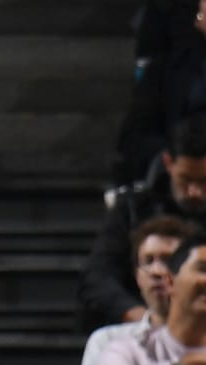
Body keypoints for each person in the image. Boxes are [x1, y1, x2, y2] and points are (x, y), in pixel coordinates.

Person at [80, 116, 206, 330]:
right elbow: (98, 277)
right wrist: (144, 320)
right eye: (186, 180)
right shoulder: (132, 209)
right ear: (168, 163)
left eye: (204, 181)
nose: (195, 192)